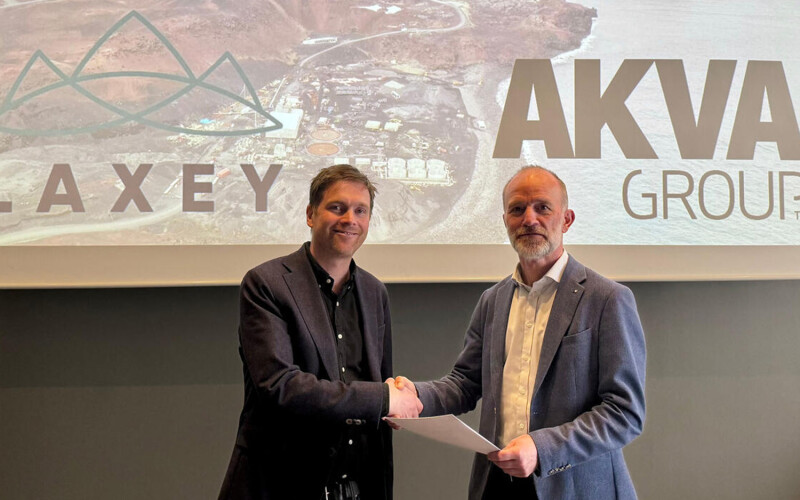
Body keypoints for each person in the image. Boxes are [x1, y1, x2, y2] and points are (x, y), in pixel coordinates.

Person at [395, 166, 646, 499]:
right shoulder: (492, 301)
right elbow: (466, 383)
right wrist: (414, 394)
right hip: (498, 485)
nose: (529, 219)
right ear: (505, 222)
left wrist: (542, 448)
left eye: (542, 207)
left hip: (575, 488)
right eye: (517, 209)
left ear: (567, 219)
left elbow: (624, 412)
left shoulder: (607, 299)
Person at [218, 164, 422, 500]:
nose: (350, 220)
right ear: (311, 214)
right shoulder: (266, 284)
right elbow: (280, 387)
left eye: (361, 211)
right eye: (337, 208)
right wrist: (383, 399)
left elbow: (377, 384)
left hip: (358, 484)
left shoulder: (375, 293)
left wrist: (391, 397)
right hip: (282, 484)